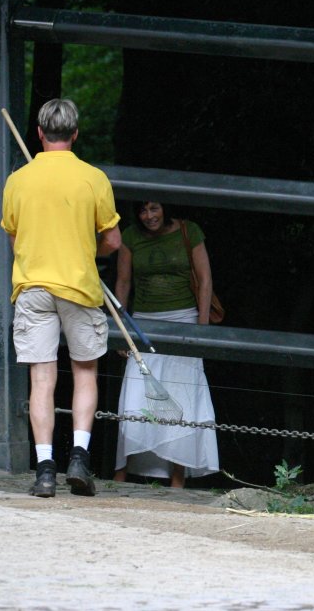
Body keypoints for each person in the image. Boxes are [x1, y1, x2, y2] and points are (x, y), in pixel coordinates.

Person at [1, 98, 121, 498]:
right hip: (78, 286)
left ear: (39, 133)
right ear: (75, 133)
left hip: (33, 286)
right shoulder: (93, 178)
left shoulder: (18, 180)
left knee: (41, 378)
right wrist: (90, 251)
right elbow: (113, 241)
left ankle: (46, 469)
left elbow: (15, 240)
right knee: (84, 372)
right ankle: (80, 459)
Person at [113, 201, 219, 488]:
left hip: (184, 320)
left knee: (182, 400)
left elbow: (206, 280)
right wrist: (121, 330)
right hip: (142, 322)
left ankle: (177, 482)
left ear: (165, 208)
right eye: (143, 211)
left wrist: (202, 330)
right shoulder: (131, 236)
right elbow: (123, 283)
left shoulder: (189, 230)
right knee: (136, 399)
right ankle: (121, 478)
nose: (149, 216)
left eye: (154, 209)